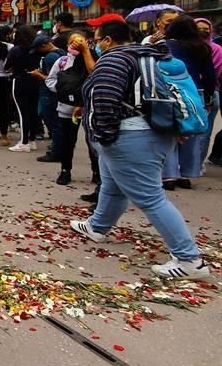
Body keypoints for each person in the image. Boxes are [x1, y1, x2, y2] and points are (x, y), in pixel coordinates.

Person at [70, 19, 210, 280]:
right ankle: (97, 226)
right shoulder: (148, 55)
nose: (94, 45)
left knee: (150, 197)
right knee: (112, 183)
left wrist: (104, 137)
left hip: (130, 136)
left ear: (107, 40)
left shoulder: (114, 60)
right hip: (152, 131)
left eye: (96, 40)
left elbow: (105, 99)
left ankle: (189, 259)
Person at [160, 15, 217, 190]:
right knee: (191, 133)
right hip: (195, 93)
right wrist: (208, 97)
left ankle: (168, 175)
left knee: (169, 132)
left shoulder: (164, 46)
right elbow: (210, 76)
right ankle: (186, 173)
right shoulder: (202, 48)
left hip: (169, 92)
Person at [45, 31, 95, 185]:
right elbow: (50, 80)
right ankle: (65, 170)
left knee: (92, 141)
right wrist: (63, 90)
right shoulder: (62, 61)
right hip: (67, 107)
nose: (75, 44)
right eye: (72, 41)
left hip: (89, 107)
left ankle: (97, 172)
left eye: (79, 40)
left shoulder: (92, 58)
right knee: (67, 141)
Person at [5, 25, 41, 152]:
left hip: (20, 80)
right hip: (35, 80)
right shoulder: (37, 49)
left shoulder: (16, 50)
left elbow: (6, 66)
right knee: (33, 111)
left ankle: (24, 142)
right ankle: (32, 140)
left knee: (22, 112)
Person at [194, 18, 222, 168]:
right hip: (189, 92)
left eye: (206, 29)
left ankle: (197, 164)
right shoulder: (185, 46)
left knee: (205, 132)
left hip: (210, 93)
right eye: (199, 28)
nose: (203, 31)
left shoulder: (216, 49)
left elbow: (215, 73)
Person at [31, 34, 63, 162]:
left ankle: (56, 151)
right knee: (58, 123)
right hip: (58, 94)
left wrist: (38, 74)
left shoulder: (50, 57)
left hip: (49, 94)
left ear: (44, 45)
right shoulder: (61, 53)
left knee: (53, 122)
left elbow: (51, 79)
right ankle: (59, 147)